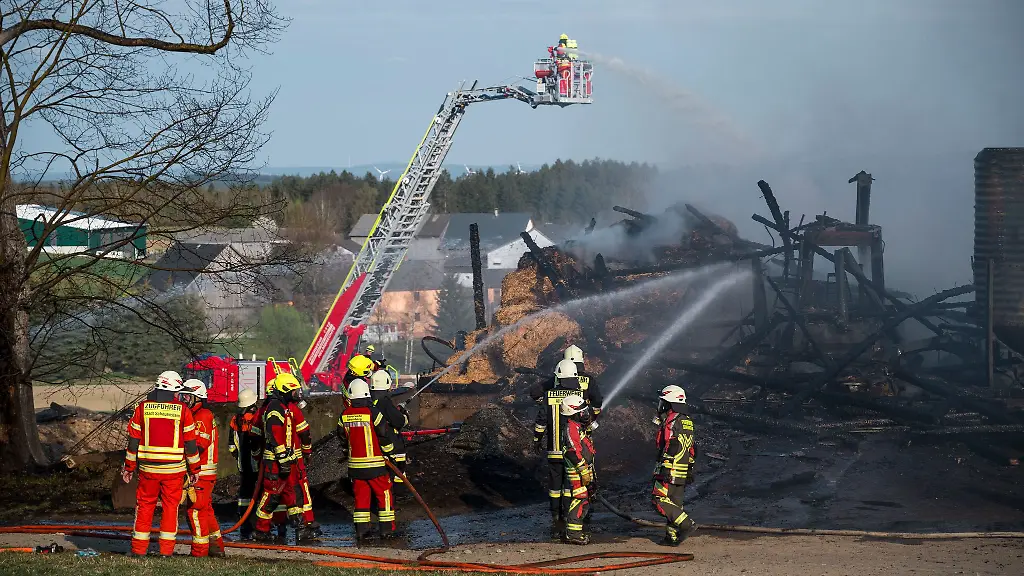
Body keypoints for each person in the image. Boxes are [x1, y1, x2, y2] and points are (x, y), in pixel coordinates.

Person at [122, 371, 201, 557]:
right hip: (174, 471)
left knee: (144, 507)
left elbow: (133, 442)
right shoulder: (183, 410)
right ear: (174, 390)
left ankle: (138, 551)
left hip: (147, 470)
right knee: (170, 509)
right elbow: (190, 444)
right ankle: (166, 552)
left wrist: (128, 467)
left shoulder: (142, 408)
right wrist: (195, 469)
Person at [253, 373, 311, 542]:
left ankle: (301, 528)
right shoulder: (274, 407)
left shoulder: (282, 406)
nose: (297, 395)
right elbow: (274, 432)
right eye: (294, 391)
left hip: (285, 460)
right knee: (272, 496)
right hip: (275, 462)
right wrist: (282, 456)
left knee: (293, 494)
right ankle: (260, 530)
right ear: (285, 390)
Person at [337, 378, 396, 543]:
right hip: (375, 465)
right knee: (383, 495)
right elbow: (383, 434)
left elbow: (341, 437)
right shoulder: (373, 412)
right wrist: (389, 453)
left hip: (355, 467)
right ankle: (386, 530)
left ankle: (362, 531)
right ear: (366, 394)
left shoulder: (344, 415)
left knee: (361, 498)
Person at [533, 359, 578, 540]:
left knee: (554, 487)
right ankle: (568, 517)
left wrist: (537, 440)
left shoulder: (549, 395)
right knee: (569, 486)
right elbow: (585, 422)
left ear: (558, 377)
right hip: (572, 452)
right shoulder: (577, 395)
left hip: (554, 450)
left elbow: (541, 420)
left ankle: (555, 519)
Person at [180, 379, 224, 557]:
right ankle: (216, 547)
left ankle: (199, 552)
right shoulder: (197, 414)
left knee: (195, 511)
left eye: (188, 396)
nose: (185, 400)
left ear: (197, 397)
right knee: (206, 511)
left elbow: (198, 446)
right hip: (203, 472)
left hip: (201, 473)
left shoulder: (202, 415)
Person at [651, 385, 697, 546]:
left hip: (669, 469)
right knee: (674, 503)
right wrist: (689, 468)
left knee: (658, 499)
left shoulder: (672, 419)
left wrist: (664, 467)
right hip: (682, 470)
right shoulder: (687, 421)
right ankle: (672, 536)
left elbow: (672, 444)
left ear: (669, 402)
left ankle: (686, 524)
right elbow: (691, 448)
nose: (660, 405)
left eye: (663, 401)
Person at [560, 394, 596, 545]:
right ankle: (573, 533)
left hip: (584, 469)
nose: (585, 414)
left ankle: (576, 530)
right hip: (578, 471)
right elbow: (572, 451)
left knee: (585, 499)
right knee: (580, 498)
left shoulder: (577, 427)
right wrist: (583, 470)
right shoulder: (570, 428)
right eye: (582, 411)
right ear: (573, 412)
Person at [228, 388, 260, 540]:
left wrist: (238, 458)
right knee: (259, 495)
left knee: (244, 495)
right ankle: (259, 527)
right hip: (258, 464)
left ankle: (245, 526)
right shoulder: (257, 417)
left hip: (243, 465)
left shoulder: (235, 420)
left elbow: (231, 445)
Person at [369, 369, 410, 484]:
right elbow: (399, 422)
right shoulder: (384, 401)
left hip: (374, 444)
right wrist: (404, 415)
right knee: (398, 470)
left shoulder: (370, 400)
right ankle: (399, 490)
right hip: (391, 443)